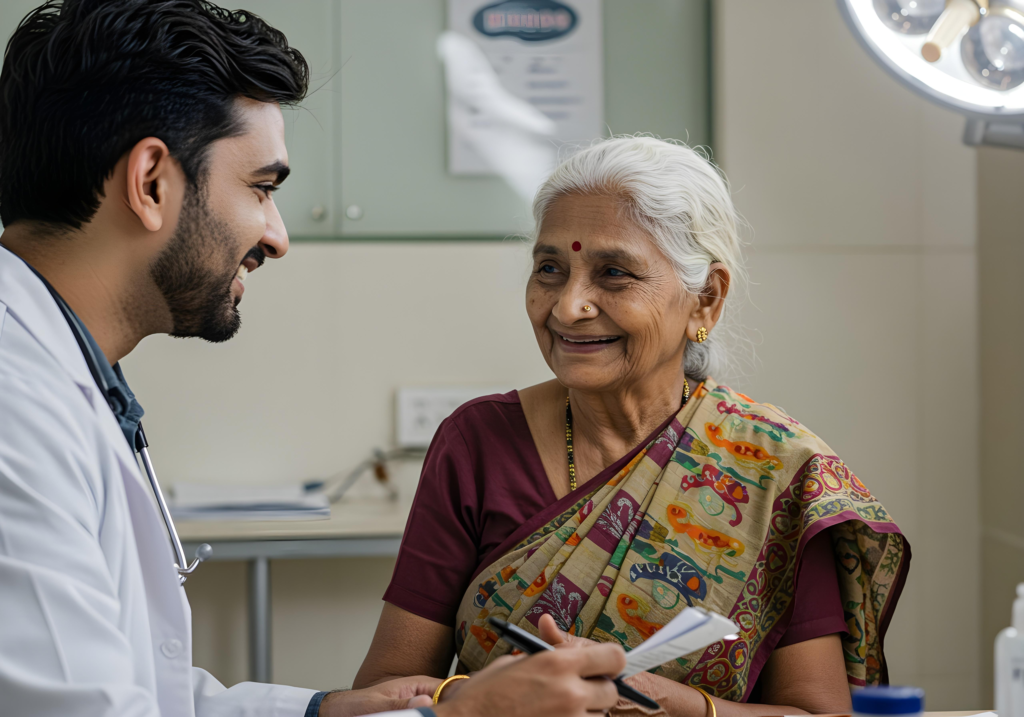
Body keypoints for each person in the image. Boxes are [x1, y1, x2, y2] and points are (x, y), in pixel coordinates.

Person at [0, 1, 628, 716]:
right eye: (261, 188)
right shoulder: (16, 408)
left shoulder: (58, 373)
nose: (277, 235)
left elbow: (146, 690)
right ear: (151, 183)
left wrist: (320, 709)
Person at [355, 137, 912, 716]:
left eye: (614, 274)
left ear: (707, 300)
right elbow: (381, 694)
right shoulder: (479, 443)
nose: (569, 305)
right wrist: (485, 699)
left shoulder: (776, 473)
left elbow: (821, 715)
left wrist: (674, 704)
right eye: (550, 269)